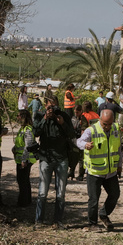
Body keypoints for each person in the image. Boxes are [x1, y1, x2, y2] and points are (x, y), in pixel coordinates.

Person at [77, 109, 122, 232]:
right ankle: (92, 224)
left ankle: (103, 214)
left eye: (109, 124)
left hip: (110, 172)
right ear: (100, 120)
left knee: (115, 194)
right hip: (95, 171)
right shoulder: (91, 130)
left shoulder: (115, 130)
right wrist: (85, 145)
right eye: (104, 124)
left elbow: (118, 149)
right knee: (93, 199)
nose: (107, 127)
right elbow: (79, 141)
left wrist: (119, 165)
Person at [33, 96, 74, 229]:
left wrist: (62, 123)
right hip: (46, 158)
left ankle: (58, 221)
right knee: (42, 192)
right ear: (45, 106)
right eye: (50, 107)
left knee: (60, 193)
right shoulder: (40, 116)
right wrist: (45, 119)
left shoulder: (63, 116)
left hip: (61, 158)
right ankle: (39, 221)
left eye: (54, 106)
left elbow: (72, 134)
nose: (52, 109)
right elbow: (36, 132)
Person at [13, 109, 38, 207]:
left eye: (19, 116)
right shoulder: (22, 129)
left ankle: (23, 202)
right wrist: (14, 148)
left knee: (23, 180)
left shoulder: (27, 129)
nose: (17, 118)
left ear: (23, 117)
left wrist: (24, 160)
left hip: (25, 160)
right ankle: (25, 200)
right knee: (23, 180)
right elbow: (20, 143)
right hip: (20, 159)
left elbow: (27, 146)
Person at [68, 103, 86, 181]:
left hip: (81, 140)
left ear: (81, 111)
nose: (76, 113)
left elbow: (84, 129)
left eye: (77, 112)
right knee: (74, 157)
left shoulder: (83, 119)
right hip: (74, 140)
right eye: (75, 112)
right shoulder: (73, 118)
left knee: (81, 158)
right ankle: (71, 172)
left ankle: (81, 174)